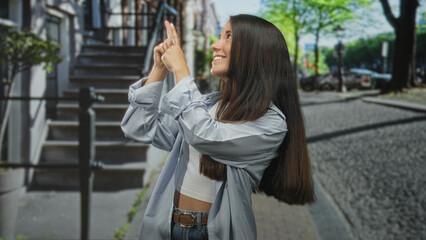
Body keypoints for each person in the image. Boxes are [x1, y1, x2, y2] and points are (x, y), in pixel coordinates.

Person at [121, 14, 315, 240]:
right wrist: (159, 70)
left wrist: (181, 72)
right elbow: (138, 127)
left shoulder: (271, 123)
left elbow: (204, 135)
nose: (215, 44)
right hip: (166, 225)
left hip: (211, 233)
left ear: (256, 51)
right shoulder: (206, 104)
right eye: (220, 35)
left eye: (229, 37)